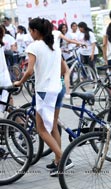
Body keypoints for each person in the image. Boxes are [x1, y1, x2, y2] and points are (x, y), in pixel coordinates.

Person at [14, 18, 73, 177]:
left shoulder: (34, 46)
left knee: (42, 129)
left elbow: (29, 71)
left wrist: (20, 82)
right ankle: (58, 161)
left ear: (34, 31)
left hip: (45, 91)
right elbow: (62, 69)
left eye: (30, 31)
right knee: (53, 127)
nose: (30, 33)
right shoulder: (54, 44)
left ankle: (64, 159)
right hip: (58, 89)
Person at [0, 24, 12, 112]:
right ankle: (19, 122)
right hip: (5, 78)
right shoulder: (1, 45)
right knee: (8, 102)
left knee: (6, 104)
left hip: (2, 80)